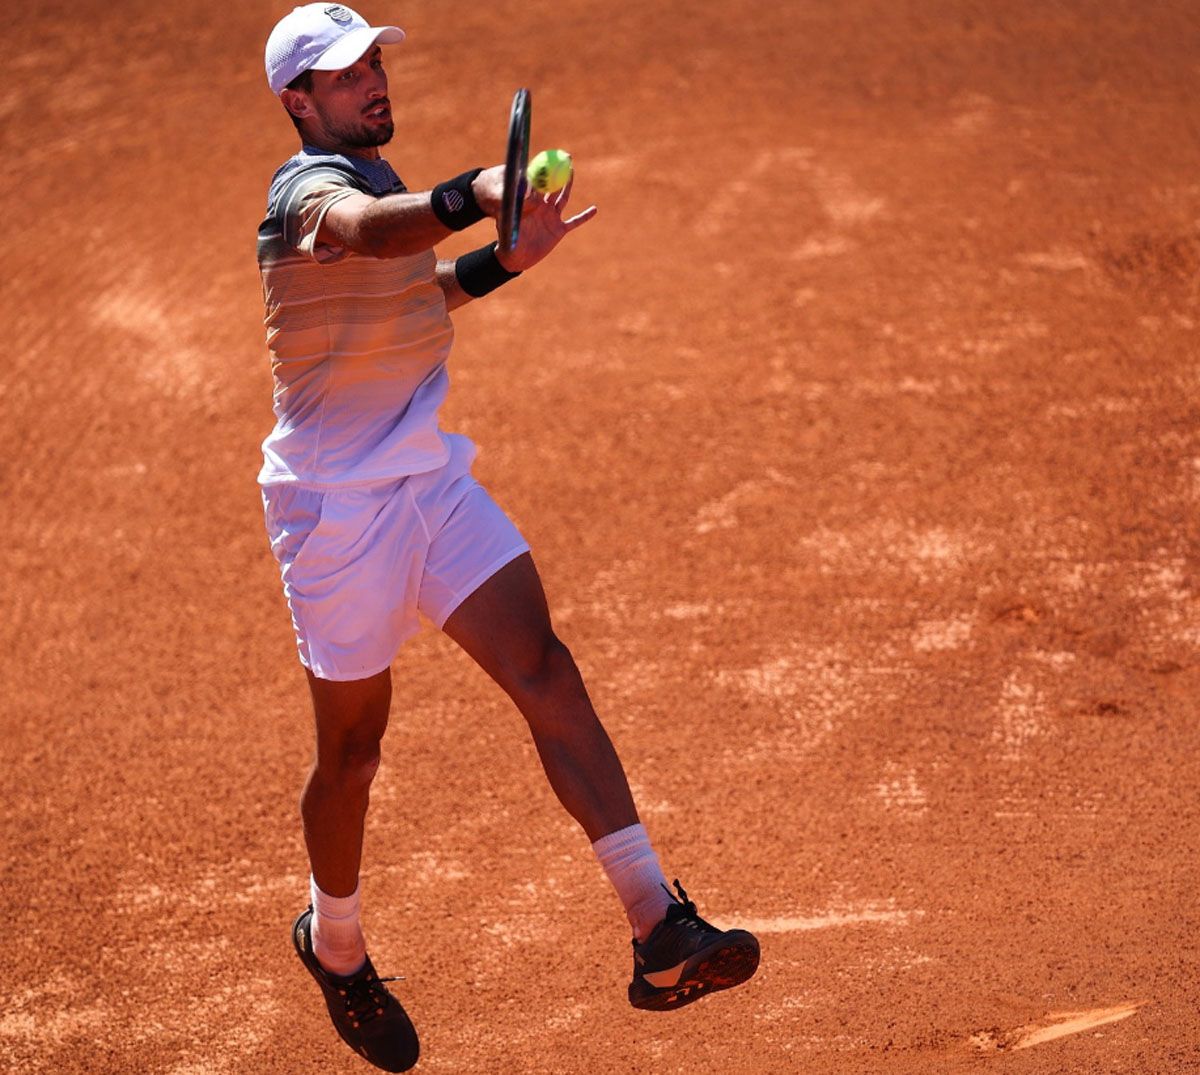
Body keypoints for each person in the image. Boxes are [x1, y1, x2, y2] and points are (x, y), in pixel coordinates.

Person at [257, 5, 760, 1070]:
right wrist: (469, 194)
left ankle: (657, 929)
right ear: (300, 101)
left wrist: (505, 260)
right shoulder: (309, 195)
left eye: (375, 64)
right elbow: (369, 236)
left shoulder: (380, 195)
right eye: (344, 76)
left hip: (427, 482)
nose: (371, 83)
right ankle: (335, 942)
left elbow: (416, 286)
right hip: (333, 508)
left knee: (544, 668)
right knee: (352, 754)